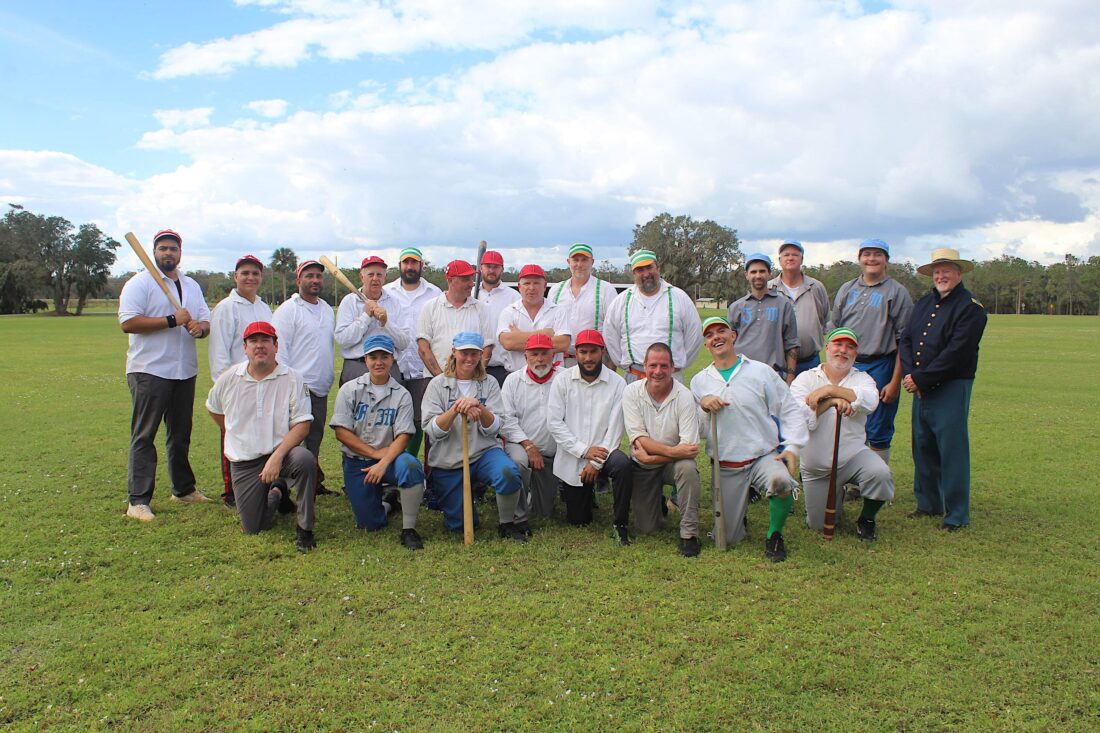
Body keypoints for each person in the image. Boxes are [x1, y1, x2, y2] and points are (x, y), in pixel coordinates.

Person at [690, 317, 807, 562]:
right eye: (710, 335)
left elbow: (789, 408)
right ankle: (737, 513)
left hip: (762, 456)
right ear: (706, 345)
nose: (716, 337)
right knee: (728, 538)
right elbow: (699, 429)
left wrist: (793, 447)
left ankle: (774, 536)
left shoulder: (760, 371)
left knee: (781, 481)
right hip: (726, 464)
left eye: (721, 331)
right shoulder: (699, 381)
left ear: (733, 336)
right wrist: (702, 404)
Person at [119, 229, 211, 521]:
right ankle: (138, 501)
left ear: (180, 252)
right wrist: (172, 320)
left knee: (180, 433)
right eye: (162, 248)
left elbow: (204, 317)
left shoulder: (191, 285)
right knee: (144, 435)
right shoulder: (140, 283)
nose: (168, 253)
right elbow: (128, 322)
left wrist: (200, 328)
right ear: (154, 251)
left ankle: (183, 489)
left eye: (173, 248)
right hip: (149, 370)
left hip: (184, 370)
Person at [205, 321, 317, 551]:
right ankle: (278, 491)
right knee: (254, 527)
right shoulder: (229, 378)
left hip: (282, 455)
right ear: (244, 347)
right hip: (245, 461)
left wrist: (277, 457)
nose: (259, 346)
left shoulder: (293, 378)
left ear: (276, 345)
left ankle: (304, 528)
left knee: (305, 460)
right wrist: (232, 432)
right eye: (253, 341)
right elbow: (213, 408)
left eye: (265, 340)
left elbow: (303, 424)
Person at [900, 247, 987, 531]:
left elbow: (957, 352)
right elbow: (907, 339)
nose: (941, 275)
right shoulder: (924, 303)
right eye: (937, 271)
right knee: (922, 446)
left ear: (958, 273)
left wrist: (922, 379)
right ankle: (928, 503)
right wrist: (912, 374)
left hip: (950, 386)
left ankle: (957, 514)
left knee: (952, 450)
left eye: (947, 270)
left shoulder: (970, 307)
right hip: (921, 386)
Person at [790, 327, 894, 540]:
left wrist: (829, 391)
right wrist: (830, 403)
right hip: (816, 467)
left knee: (881, 475)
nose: (843, 350)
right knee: (817, 525)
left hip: (853, 457)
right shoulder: (805, 379)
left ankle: (867, 518)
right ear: (827, 347)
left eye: (850, 347)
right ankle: (836, 492)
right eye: (838, 344)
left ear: (855, 354)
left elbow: (869, 401)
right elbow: (797, 417)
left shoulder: (863, 379)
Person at [421, 332, 526, 541]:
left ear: (481, 355)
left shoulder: (490, 383)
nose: (469, 358)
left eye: (474, 354)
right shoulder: (437, 385)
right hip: (448, 458)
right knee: (458, 526)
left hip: (484, 452)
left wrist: (480, 407)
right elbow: (432, 430)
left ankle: (506, 523)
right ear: (454, 352)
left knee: (508, 473)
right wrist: (455, 410)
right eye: (464, 353)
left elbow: (495, 427)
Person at [330, 334, 428, 550]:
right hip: (358, 462)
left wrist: (382, 462)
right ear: (365, 360)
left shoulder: (401, 394)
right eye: (373, 357)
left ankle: (408, 529)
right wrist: (373, 455)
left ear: (392, 359)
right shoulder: (350, 389)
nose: (379, 362)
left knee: (410, 466)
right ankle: (389, 502)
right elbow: (341, 432)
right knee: (370, 524)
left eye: (384, 356)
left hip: (389, 459)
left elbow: (404, 435)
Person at [826, 239, 914, 465]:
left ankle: (876, 482)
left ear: (886, 259)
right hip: (847, 366)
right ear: (859, 259)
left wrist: (895, 382)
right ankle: (849, 477)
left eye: (877, 254)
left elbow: (905, 340)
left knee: (878, 427)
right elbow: (834, 328)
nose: (871, 259)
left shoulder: (896, 292)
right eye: (867, 254)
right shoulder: (848, 289)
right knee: (846, 421)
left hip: (881, 364)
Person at [547, 329, 634, 544]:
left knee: (623, 465)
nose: (588, 358)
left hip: (604, 453)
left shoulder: (617, 383)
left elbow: (615, 429)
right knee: (579, 520)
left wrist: (595, 463)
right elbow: (555, 424)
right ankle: (585, 493)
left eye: (593, 352)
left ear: (602, 352)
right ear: (575, 353)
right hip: (573, 456)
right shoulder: (562, 380)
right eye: (583, 352)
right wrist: (584, 451)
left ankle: (620, 523)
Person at [622, 343, 702, 557]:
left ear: (673, 367)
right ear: (644, 367)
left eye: (664, 366)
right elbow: (640, 440)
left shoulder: (684, 396)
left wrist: (654, 457)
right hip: (644, 465)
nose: (658, 371)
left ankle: (689, 534)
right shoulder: (631, 392)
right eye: (653, 365)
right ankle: (657, 502)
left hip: (669, 465)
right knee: (647, 527)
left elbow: (690, 448)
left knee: (687, 467)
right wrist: (674, 452)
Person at [208, 254, 272, 507]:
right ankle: (231, 491)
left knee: (259, 436)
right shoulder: (226, 308)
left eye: (255, 273)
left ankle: (258, 485)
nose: (250, 277)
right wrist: (224, 387)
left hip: (262, 381)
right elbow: (219, 351)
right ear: (235, 277)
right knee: (233, 436)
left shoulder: (263, 307)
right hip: (236, 384)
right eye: (245, 273)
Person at [271, 260, 336, 494]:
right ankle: (282, 487)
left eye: (319, 276)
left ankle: (312, 484)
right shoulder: (288, 310)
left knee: (314, 438)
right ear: (299, 280)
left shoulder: (327, 309)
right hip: (297, 388)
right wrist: (288, 385)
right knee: (292, 441)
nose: (315, 280)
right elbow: (280, 351)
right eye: (309, 276)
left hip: (319, 388)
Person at [603, 249, 702, 383]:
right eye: (640, 270)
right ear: (633, 273)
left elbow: (694, 336)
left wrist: (675, 366)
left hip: (671, 378)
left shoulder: (679, 297)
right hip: (634, 378)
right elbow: (610, 337)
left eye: (649, 267)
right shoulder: (621, 301)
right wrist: (625, 364)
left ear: (658, 268)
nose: (646, 274)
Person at [383, 247, 442, 459]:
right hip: (394, 367)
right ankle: (392, 466)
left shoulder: (434, 293)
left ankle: (412, 461)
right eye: (406, 263)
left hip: (422, 368)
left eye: (414, 263)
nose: (410, 267)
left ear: (421, 266)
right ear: (400, 265)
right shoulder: (387, 292)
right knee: (392, 419)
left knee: (419, 419)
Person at [501, 333, 563, 530]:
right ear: (525, 356)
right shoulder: (512, 381)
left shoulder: (565, 378)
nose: (540, 359)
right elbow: (506, 420)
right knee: (518, 462)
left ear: (553, 354)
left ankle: (538, 494)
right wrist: (527, 445)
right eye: (534, 354)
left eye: (544, 353)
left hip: (553, 453)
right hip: (521, 446)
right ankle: (517, 512)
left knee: (544, 511)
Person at [334, 255, 411, 386]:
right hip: (357, 366)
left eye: (379, 275)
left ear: (384, 277)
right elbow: (342, 340)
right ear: (361, 277)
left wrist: (386, 323)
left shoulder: (394, 302)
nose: (375, 278)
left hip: (389, 367)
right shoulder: (349, 302)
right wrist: (365, 317)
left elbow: (404, 343)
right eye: (370, 274)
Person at [417, 259, 496, 379]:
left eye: (471, 279)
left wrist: (474, 377)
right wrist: (441, 380)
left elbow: (487, 348)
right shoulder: (430, 307)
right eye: (465, 280)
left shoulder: (481, 309)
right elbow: (423, 348)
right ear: (450, 280)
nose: (471, 284)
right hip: (434, 382)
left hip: (471, 382)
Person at [728, 252, 799, 384]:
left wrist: (790, 378)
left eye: (762, 271)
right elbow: (728, 345)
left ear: (769, 274)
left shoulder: (783, 305)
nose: (758, 276)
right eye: (753, 272)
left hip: (773, 375)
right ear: (746, 275)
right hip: (741, 375)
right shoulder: (736, 307)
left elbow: (792, 344)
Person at [548, 243, 618, 365]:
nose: (579, 264)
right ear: (568, 261)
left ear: (592, 262)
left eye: (584, 260)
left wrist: (611, 364)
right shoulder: (555, 290)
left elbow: (614, 329)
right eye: (575, 260)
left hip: (594, 360)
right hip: (562, 360)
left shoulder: (606, 289)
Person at [495, 264, 572, 374]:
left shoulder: (558, 311)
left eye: (536, 283)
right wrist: (545, 334)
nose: (531, 288)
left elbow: (563, 343)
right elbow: (508, 343)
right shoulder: (509, 311)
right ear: (519, 286)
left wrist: (519, 336)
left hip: (553, 377)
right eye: (527, 283)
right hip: (517, 377)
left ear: (545, 285)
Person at [769, 240, 829, 377]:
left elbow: (824, 319)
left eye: (795, 255)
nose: (790, 258)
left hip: (810, 362)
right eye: (786, 255)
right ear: (779, 260)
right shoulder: (769, 288)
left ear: (802, 259)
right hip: (777, 364)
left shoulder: (816, 287)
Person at [476, 250, 521, 385]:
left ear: (502, 269)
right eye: (488, 266)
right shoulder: (471, 293)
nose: (491, 270)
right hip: (472, 367)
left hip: (503, 369)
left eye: (495, 267)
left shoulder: (514, 297)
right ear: (480, 267)